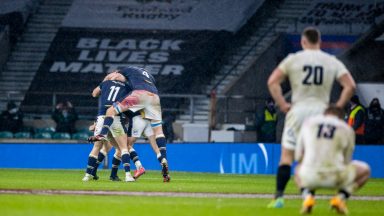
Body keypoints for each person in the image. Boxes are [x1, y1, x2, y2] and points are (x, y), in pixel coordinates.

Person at [267, 27, 356, 208]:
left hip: (298, 110)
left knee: (286, 156)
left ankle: (278, 198)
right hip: (321, 113)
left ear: (303, 42)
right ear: (319, 42)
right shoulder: (330, 61)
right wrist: (338, 106)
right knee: (310, 156)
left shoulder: (294, 59)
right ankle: (309, 197)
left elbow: (272, 81)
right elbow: (350, 86)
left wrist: (282, 104)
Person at [89, 66, 171, 182]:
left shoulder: (125, 70)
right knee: (159, 132)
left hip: (139, 103)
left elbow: (114, 77)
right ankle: (163, 159)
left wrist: (104, 84)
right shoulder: (149, 76)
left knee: (113, 117)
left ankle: (103, 135)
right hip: (155, 98)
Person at [295, 106, 370, 214]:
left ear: (324, 115)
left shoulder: (308, 124)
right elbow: (347, 160)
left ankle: (308, 197)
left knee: (297, 168)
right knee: (365, 170)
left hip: (310, 176)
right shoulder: (346, 128)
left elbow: (298, 155)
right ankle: (340, 198)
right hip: (337, 177)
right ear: (340, 118)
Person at [83, 79, 144, 182]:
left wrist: (95, 122)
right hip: (116, 117)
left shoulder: (105, 82)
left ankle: (87, 175)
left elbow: (94, 93)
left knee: (97, 146)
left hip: (102, 118)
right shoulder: (127, 87)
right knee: (123, 147)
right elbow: (129, 105)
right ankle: (128, 175)